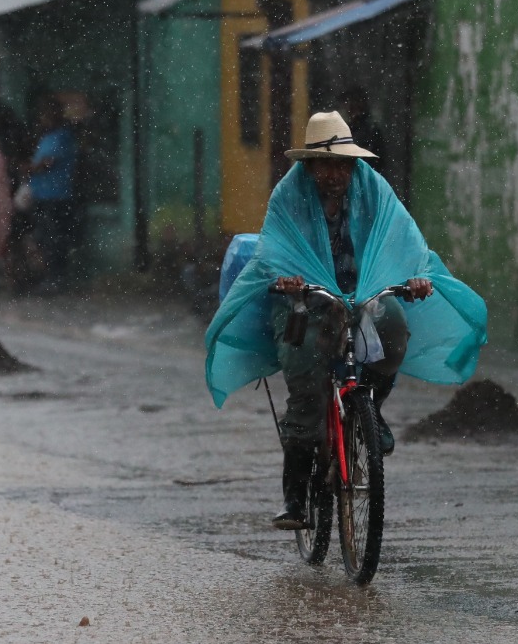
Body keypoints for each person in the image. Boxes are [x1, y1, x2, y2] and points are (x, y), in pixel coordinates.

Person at [203, 110, 489, 530]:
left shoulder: (372, 189)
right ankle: (295, 497)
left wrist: (416, 278)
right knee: (305, 380)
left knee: (393, 330)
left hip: (362, 294)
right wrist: (286, 279)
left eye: (344, 164)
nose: (337, 173)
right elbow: (272, 251)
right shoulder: (289, 196)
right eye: (328, 164)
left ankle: (370, 412)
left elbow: (404, 239)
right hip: (305, 299)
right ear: (310, 165)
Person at [27, 95, 80, 290]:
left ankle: (57, 278)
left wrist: (27, 168)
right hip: (42, 196)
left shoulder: (62, 137)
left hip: (56, 196)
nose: (43, 118)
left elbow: (47, 163)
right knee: (44, 238)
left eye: (46, 114)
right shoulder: (46, 137)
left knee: (55, 239)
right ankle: (50, 277)